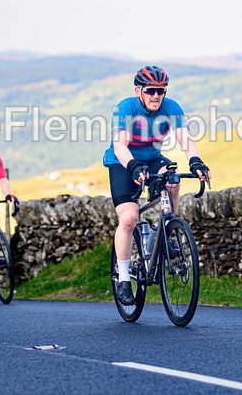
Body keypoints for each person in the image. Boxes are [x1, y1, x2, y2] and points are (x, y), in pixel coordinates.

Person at [102, 66, 210, 306]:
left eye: (161, 91)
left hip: (152, 159)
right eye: (150, 90)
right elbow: (120, 146)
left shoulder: (171, 107)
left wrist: (195, 161)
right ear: (138, 91)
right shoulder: (126, 108)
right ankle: (123, 279)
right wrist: (133, 166)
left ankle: (165, 229)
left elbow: (185, 139)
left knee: (173, 180)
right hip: (122, 162)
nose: (156, 96)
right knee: (129, 218)